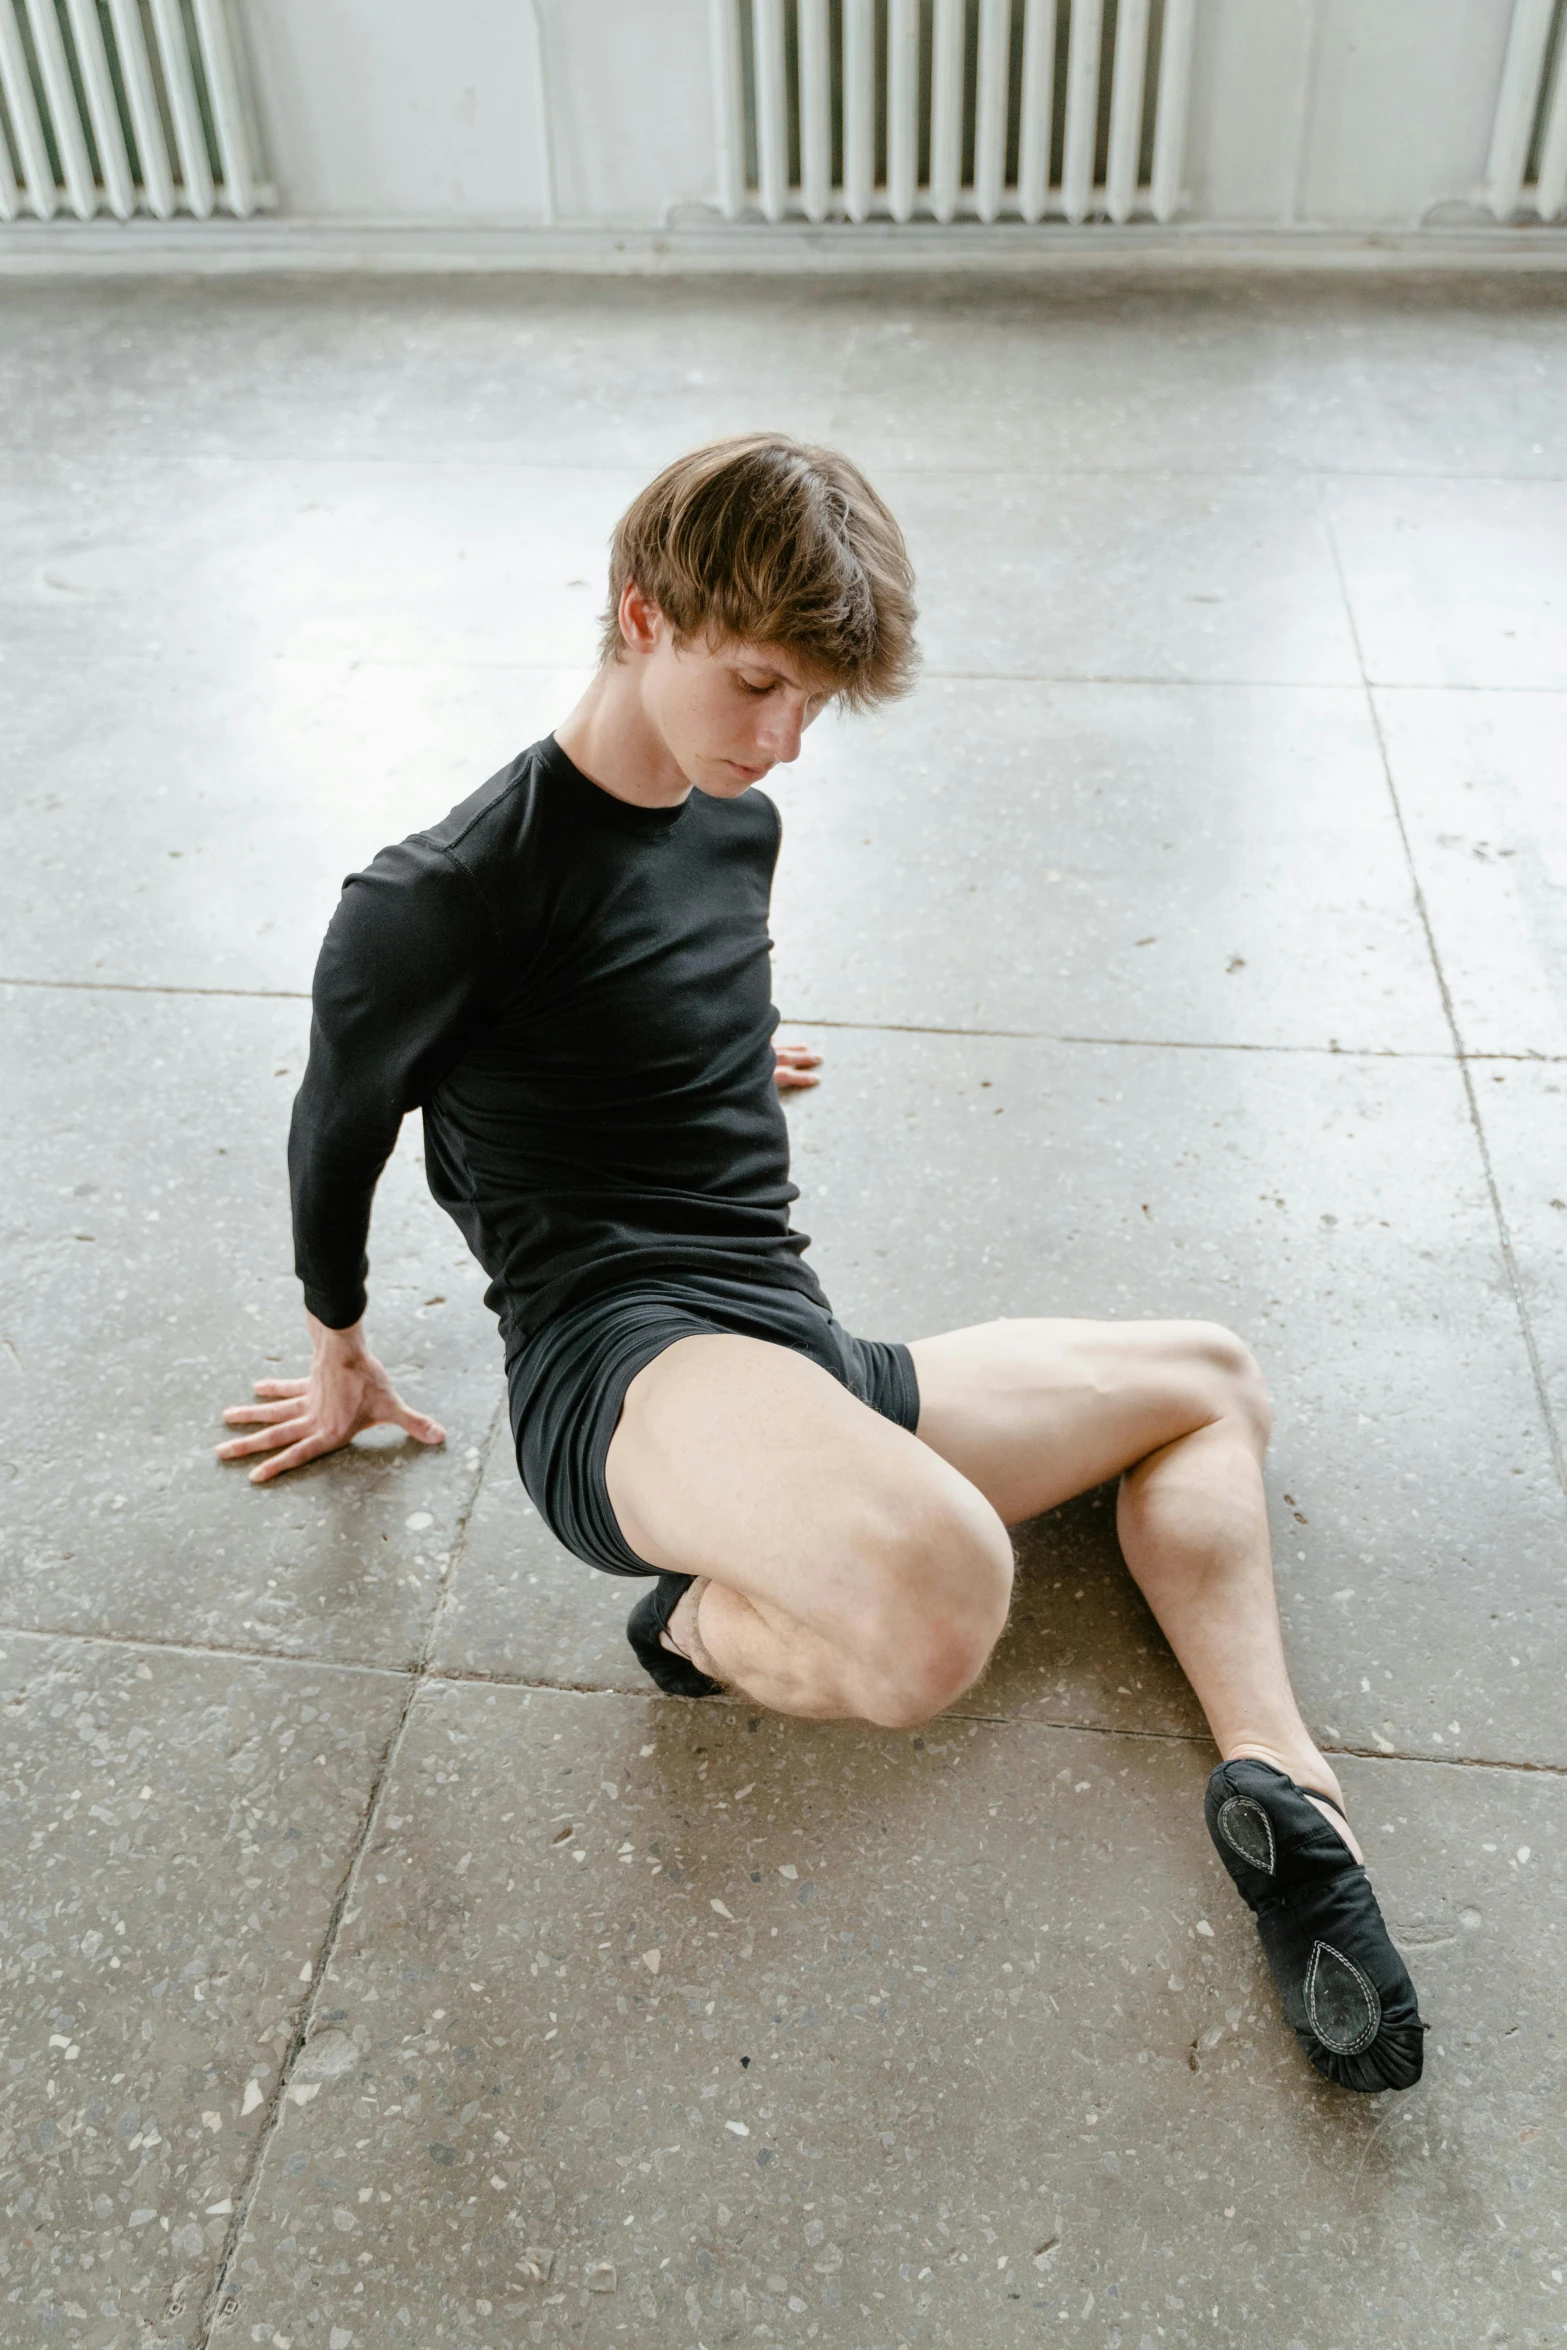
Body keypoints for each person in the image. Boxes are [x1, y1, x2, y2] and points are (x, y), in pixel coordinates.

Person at [218, 434, 1423, 2094]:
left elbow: (668, 960)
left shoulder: (731, 822)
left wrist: (715, 1049)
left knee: (1209, 1378)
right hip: (626, 1358)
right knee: (942, 1602)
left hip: (790, 1346)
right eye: (758, 684)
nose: (783, 742)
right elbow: (332, 1119)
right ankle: (700, 1624)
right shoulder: (434, 898)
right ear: (640, 614)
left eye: (814, 707)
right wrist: (339, 1337)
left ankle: (1280, 1779)